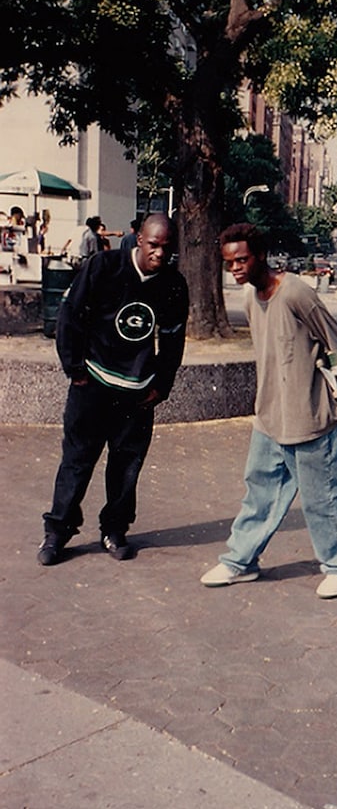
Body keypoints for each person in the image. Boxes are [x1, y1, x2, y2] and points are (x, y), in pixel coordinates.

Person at [200, 222, 337, 599]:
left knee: (322, 497)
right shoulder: (249, 298)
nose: (235, 268)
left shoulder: (297, 292)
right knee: (259, 493)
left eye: (242, 260)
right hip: (269, 415)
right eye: (229, 263)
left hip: (309, 415)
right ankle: (241, 562)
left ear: (260, 256)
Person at [37, 213, 189, 566]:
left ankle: (115, 530)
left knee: (126, 466)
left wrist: (162, 385)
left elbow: (173, 339)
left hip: (136, 393)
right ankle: (58, 532)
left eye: (167, 247)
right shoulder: (104, 267)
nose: (160, 253)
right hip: (92, 384)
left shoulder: (173, 284)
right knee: (77, 460)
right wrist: (75, 369)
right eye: (154, 245)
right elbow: (70, 316)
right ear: (140, 240)